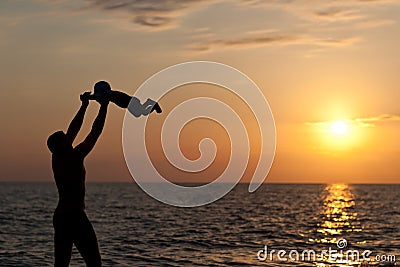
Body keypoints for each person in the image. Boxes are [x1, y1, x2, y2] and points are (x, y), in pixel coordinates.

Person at [47, 92, 109, 267]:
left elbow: (73, 128)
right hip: (74, 216)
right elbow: (94, 132)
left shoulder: (57, 158)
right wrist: (104, 107)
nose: (69, 137)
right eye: (66, 138)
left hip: (60, 216)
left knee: (61, 264)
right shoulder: (74, 157)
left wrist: (84, 105)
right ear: (62, 144)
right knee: (94, 263)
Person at [89, 80, 162, 117]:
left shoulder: (110, 95)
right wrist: (88, 97)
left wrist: (88, 97)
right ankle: (149, 102)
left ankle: (153, 104)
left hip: (132, 102)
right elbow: (97, 97)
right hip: (130, 103)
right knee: (140, 113)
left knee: (142, 113)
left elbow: (97, 97)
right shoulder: (110, 94)